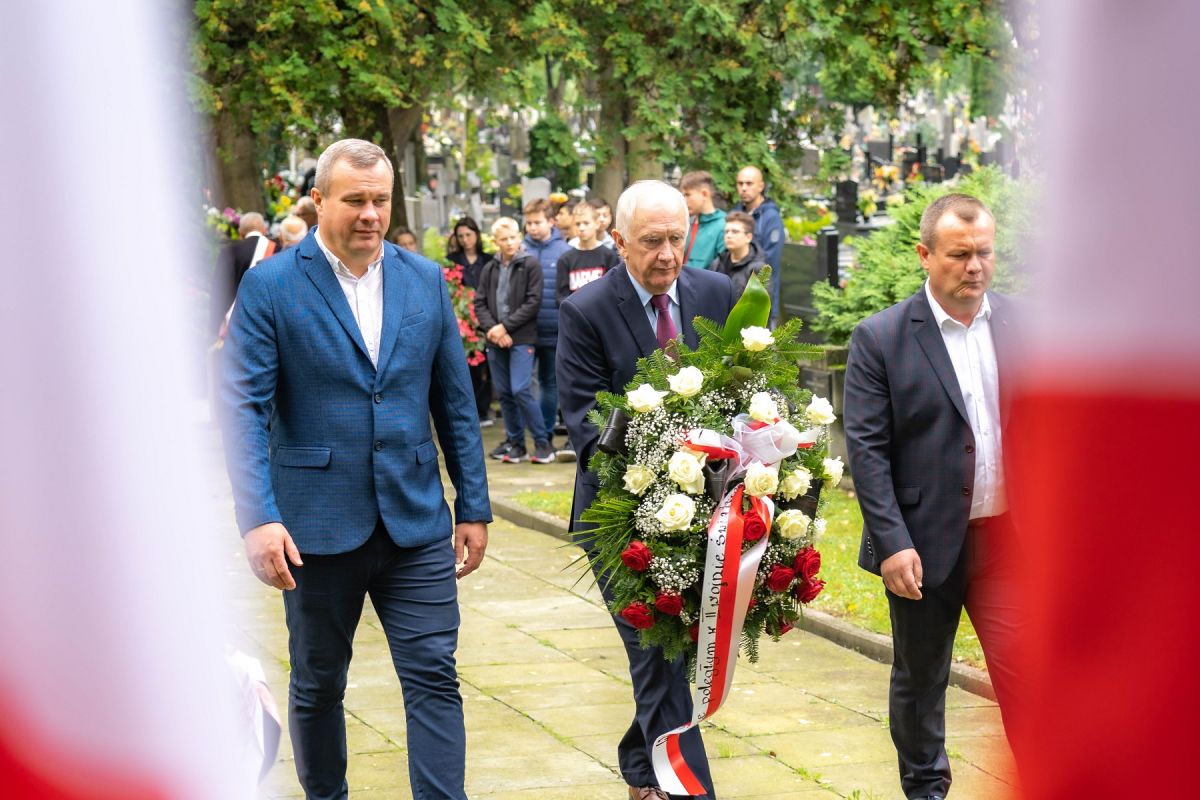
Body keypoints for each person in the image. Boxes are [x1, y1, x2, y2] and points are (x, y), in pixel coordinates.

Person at [219, 138, 491, 800]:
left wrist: (474, 505)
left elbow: (455, 402)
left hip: (415, 522)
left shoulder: (423, 280)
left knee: (433, 675)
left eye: (381, 201)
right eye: (355, 200)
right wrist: (258, 519)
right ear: (318, 201)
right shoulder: (271, 285)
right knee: (318, 682)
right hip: (313, 528)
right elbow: (243, 409)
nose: (371, 214)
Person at [557, 180, 738, 800]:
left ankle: (642, 769)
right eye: (651, 241)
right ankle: (688, 788)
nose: (667, 254)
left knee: (679, 651)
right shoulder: (585, 311)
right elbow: (586, 425)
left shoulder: (718, 293)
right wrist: (666, 461)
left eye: (676, 239)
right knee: (655, 648)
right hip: (620, 518)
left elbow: (747, 395)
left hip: (710, 512)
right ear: (619, 241)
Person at [843, 193, 1021, 800]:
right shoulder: (881, 337)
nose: (975, 267)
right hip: (921, 545)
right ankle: (926, 791)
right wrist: (892, 542)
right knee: (921, 681)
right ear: (925, 255)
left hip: (1011, 541)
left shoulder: (1026, 324)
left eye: (984, 253)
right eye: (959, 254)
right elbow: (867, 451)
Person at [475, 217, 554, 464]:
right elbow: (480, 302)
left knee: (521, 388)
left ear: (519, 237)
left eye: (512, 237)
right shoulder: (490, 268)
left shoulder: (530, 265)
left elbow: (533, 302)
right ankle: (516, 443)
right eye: (504, 239)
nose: (509, 243)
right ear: (495, 241)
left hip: (521, 338)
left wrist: (505, 327)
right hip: (495, 338)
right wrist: (493, 329)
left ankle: (543, 443)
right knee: (505, 392)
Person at [522, 198, 571, 450]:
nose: (532, 227)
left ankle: (547, 433)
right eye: (528, 222)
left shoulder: (564, 250)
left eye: (537, 222)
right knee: (522, 385)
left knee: (549, 383)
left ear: (551, 221)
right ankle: (530, 434)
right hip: (524, 329)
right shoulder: (521, 249)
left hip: (554, 328)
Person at [448, 216, 494, 426]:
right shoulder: (453, 261)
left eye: (468, 235)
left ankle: (484, 408)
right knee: (468, 367)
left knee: (487, 366)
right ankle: (471, 408)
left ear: (476, 234)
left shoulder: (488, 260)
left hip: (486, 316)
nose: (465, 240)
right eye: (461, 236)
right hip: (463, 320)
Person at [732, 166, 785, 325]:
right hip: (734, 298)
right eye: (740, 183)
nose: (744, 188)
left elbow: (769, 262)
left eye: (749, 183)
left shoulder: (771, 218)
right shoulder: (734, 214)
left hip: (762, 298)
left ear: (761, 186)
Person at [209, 211, 275, 339]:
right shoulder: (276, 249)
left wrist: (214, 326)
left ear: (240, 233)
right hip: (269, 323)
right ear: (264, 230)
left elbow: (219, 289)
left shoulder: (228, 251)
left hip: (237, 325)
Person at [556, 201, 622, 304]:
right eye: (578, 224)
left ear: (597, 224)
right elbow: (561, 296)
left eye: (586, 223)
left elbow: (615, 291)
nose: (581, 228)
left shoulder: (609, 256)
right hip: (574, 311)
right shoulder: (565, 259)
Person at [707, 211, 766, 295]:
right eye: (726, 232)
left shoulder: (758, 269)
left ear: (748, 237)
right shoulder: (717, 263)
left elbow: (761, 302)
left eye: (735, 232)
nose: (729, 236)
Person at [679, 171, 725, 269]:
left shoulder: (724, 225)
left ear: (704, 194)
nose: (684, 200)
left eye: (688, 195)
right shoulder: (687, 223)